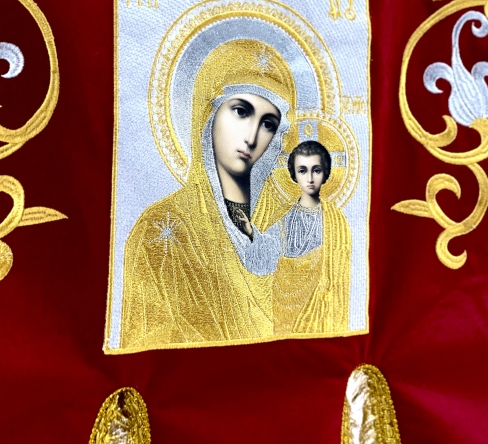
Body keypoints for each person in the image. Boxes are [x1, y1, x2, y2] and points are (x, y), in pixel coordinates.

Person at [120, 39, 297, 350]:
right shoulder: (160, 229)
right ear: (208, 115)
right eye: (241, 111)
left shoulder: (286, 223)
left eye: (268, 124)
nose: (252, 136)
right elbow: (145, 349)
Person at [273, 139, 351, 335]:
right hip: (284, 310)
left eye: (316, 170)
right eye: (302, 171)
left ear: (325, 173)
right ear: (293, 174)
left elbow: (341, 275)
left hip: (323, 311)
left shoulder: (336, 221)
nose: (309, 178)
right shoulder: (283, 219)